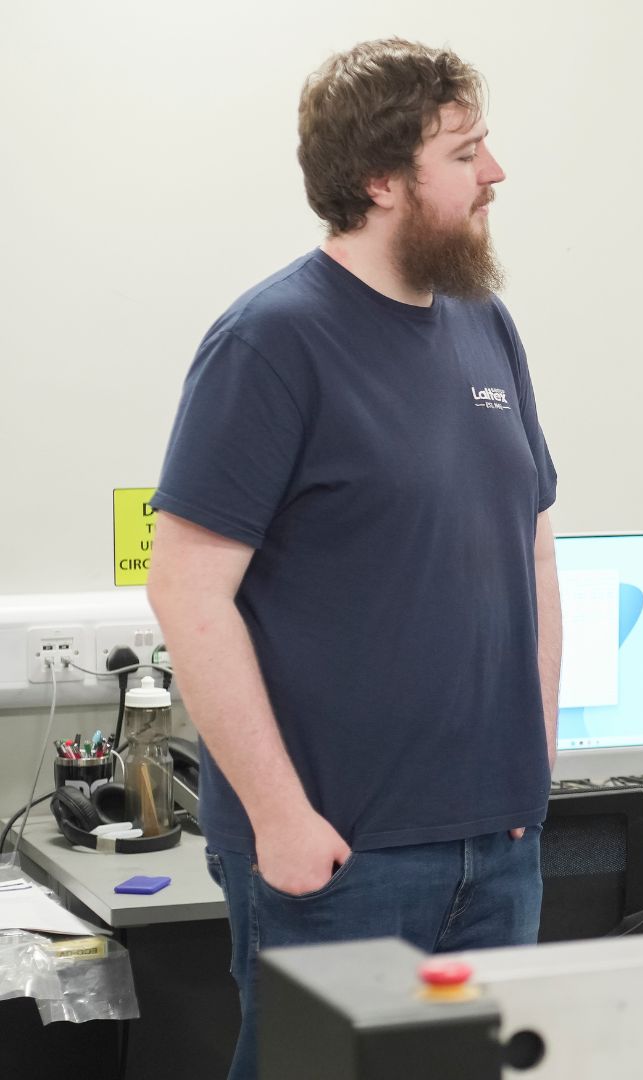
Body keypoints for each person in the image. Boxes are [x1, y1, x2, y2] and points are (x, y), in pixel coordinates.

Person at [145, 39, 559, 1079]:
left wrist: (537, 754)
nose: (495, 173)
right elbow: (187, 591)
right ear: (380, 179)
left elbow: (533, 548)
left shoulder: (485, 326)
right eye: (464, 153)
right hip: (341, 857)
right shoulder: (271, 341)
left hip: (498, 845)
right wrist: (281, 820)